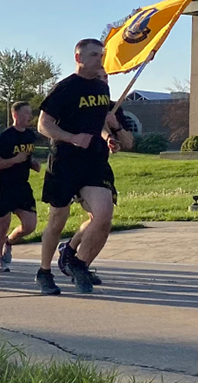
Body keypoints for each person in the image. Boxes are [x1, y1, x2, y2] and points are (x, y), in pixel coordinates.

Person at [36, 39, 133, 295]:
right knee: (58, 220)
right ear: (78, 58)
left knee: (103, 216)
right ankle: (44, 272)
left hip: (94, 162)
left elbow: (99, 119)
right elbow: (43, 124)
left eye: (101, 54)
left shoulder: (102, 89)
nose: (99, 58)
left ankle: (77, 264)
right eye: (93, 55)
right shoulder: (65, 88)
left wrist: (108, 136)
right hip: (65, 160)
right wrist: (71, 137)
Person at [55, 68, 132, 286]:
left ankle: (75, 258)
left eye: (106, 78)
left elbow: (129, 143)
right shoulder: (79, 102)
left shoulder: (113, 108)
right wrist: (107, 134)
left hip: (99, 168)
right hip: (74, 165)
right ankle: (74, 261)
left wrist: (116, 126)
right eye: (99, 77)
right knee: (99, 217)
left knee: (102, 221)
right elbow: (97, 127)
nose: (103, 81)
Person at [0, 101, 40, 272]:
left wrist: (32, 163)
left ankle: (9, 242)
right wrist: (14, 160)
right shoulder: (5, 137)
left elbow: (27, 157)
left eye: (30, 113)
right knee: (2, 225)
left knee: (30, 225)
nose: (29, 117)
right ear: (15, 115)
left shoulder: (30, 136)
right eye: (26, 113)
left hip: (22, 186)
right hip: (3, 186)